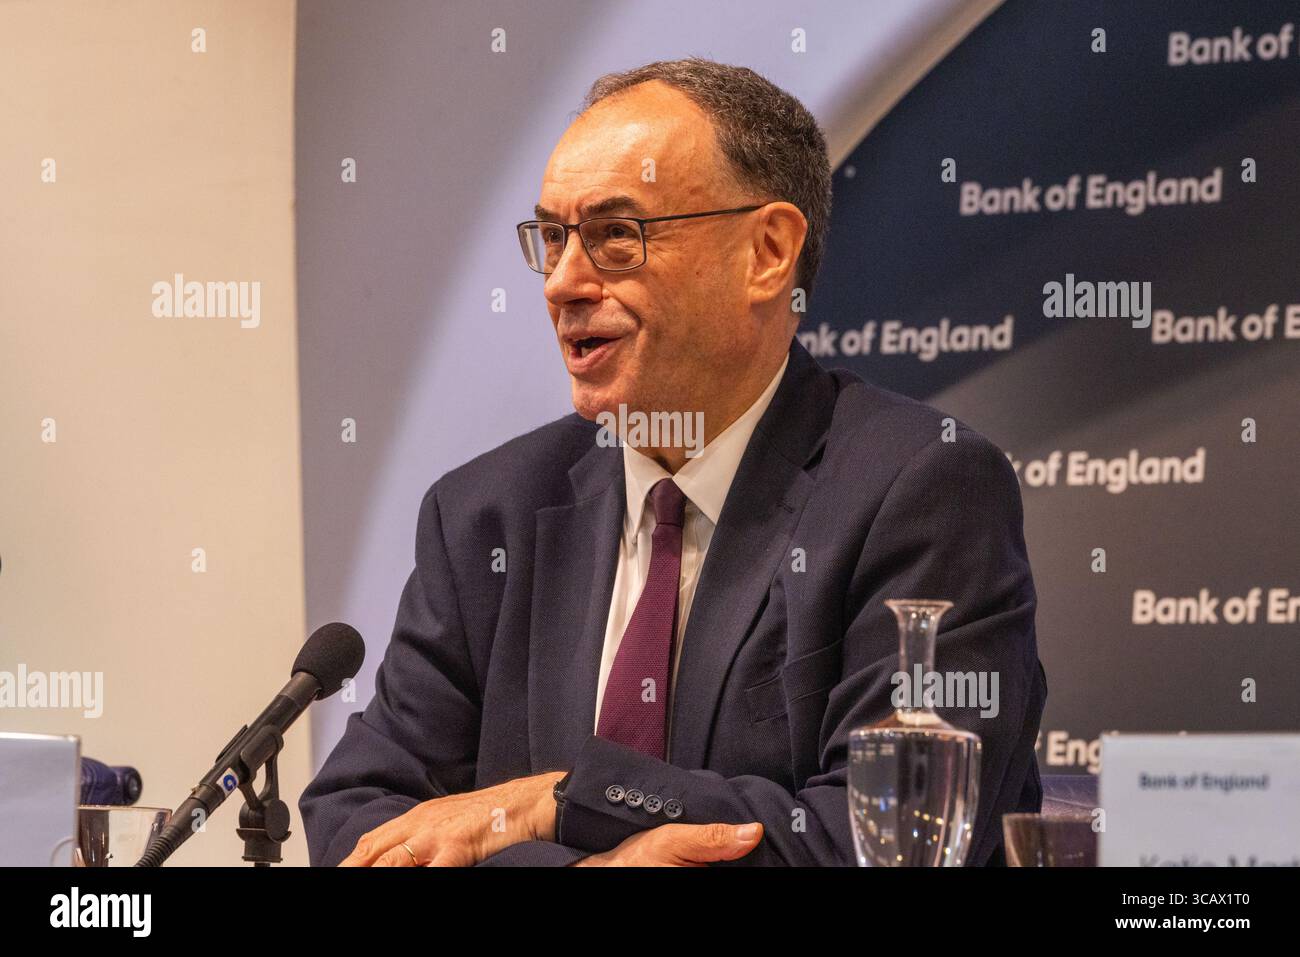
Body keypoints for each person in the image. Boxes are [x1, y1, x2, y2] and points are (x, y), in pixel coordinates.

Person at [300, 57, 1047, 867]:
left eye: (617, 235)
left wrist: (555, 799)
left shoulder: (919, 489)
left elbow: (882, 841)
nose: (563, 281)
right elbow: (360, 816)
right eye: (552, 237)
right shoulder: (487, 512)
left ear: (767, 252)